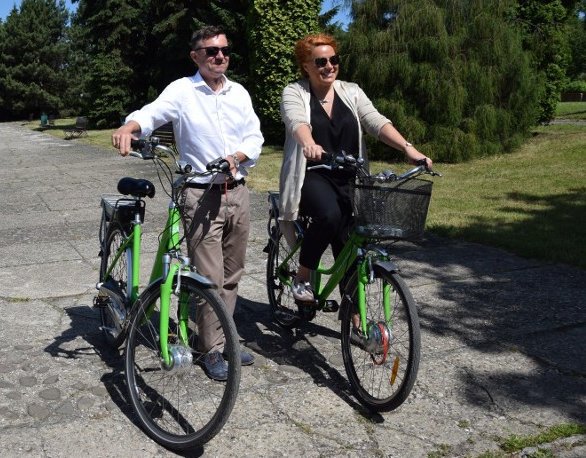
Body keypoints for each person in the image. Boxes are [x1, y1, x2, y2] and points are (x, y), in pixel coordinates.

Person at [112, 26, 264, 381]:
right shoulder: (183, 90)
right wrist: (128, 127)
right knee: (209, 277)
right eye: (211, 51)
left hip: (237, 191)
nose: (220, 57)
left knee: (233, 274)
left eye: (224, 50)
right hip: (200, 194)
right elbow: (151, 113)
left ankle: (224, 338)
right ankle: (208, 349)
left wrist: (237, 156)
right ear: (195, 56)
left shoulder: (238, 93)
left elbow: (255, 136)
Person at [278, 33, 431, 303]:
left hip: (351, 177)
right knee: (328, 215)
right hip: (313, 173)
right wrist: (309, 144)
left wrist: (408, 148)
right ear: (306, 66)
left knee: (350, 245)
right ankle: (302, 278)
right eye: (321, 61)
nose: (329, 66)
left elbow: (376, 122)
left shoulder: (351, 91)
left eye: (333, 59)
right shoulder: (295, 92)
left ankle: (356, 324)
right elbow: (296, 122)